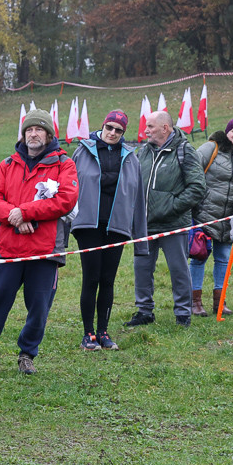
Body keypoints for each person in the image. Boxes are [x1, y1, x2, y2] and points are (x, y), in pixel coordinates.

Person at [0, 109, 78, 375]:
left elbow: (66, 200)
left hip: (45, 251)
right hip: (8, 248)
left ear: (49, 135)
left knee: (39, 307)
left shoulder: (64, 165)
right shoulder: (8, 164)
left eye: (39, 130)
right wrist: (14, 217)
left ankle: (27, 355)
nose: (33, 134)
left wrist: (25, 211)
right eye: (29, 130)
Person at [70, 110, 147, 351]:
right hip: (88, 226)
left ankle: (103, 332)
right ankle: (88, 334)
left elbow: (139, 198)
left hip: (117, 228)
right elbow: (68, 189)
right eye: (109, 127)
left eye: (118, 130)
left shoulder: (131, 158)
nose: (112, 133)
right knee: (91, 278)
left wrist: (140, 240)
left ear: (124, 133)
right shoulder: (82, 151)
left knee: (108, 280)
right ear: (102, 126)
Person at [124, 111, 206, 328]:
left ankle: (182, 314)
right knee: (141, 269)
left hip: (173, 224)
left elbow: (198, 188)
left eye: (150, 126)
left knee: (179, 269)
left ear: (165, 128)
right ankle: (144, 311)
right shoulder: (142, 152)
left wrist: (171, 207)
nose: (146, 130)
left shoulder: (185, 151)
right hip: (144, 225)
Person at [190, 116, 233, 317]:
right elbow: (191, 170)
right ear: (227, 132)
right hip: (204, 214)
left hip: (229, 219)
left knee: (224, 259)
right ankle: (195, 302)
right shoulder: (211, 148)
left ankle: (220, 301)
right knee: (199, 257)